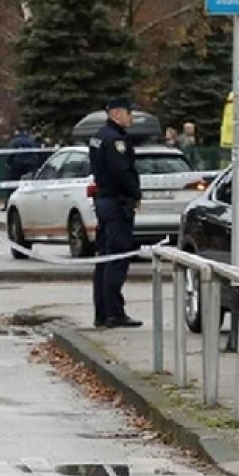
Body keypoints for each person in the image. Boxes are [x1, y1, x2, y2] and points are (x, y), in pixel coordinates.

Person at [88, 97, 143, 329]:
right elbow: (122, 172)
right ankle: (113, 313)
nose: (131, 118)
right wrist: (135, 194)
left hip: (104, 201)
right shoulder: (115, 140)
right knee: (117, 258)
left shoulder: (99, 137)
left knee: (104, 258)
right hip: (116, 203)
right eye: (129, 113)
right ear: (117, 114)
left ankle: (102, 311)